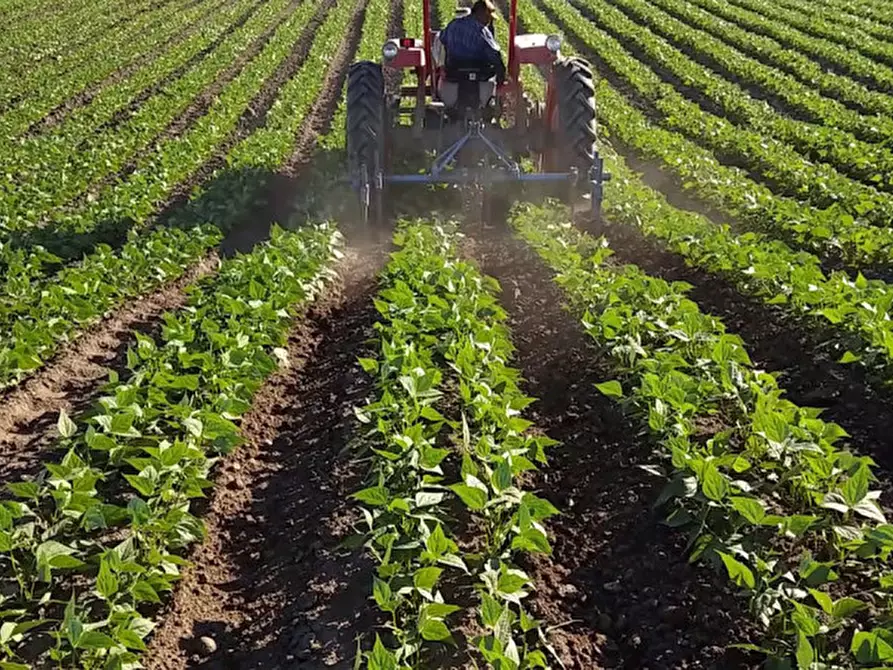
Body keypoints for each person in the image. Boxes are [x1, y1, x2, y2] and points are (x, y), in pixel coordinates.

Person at [438, 0, 506, 85]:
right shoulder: (482, 31)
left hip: (453, 71)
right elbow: (494, 54)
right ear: (480, 13)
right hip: (479, 73)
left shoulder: (453, 25)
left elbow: (442, 39)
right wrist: (501, 74)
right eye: (488, 17)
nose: (489, 21)